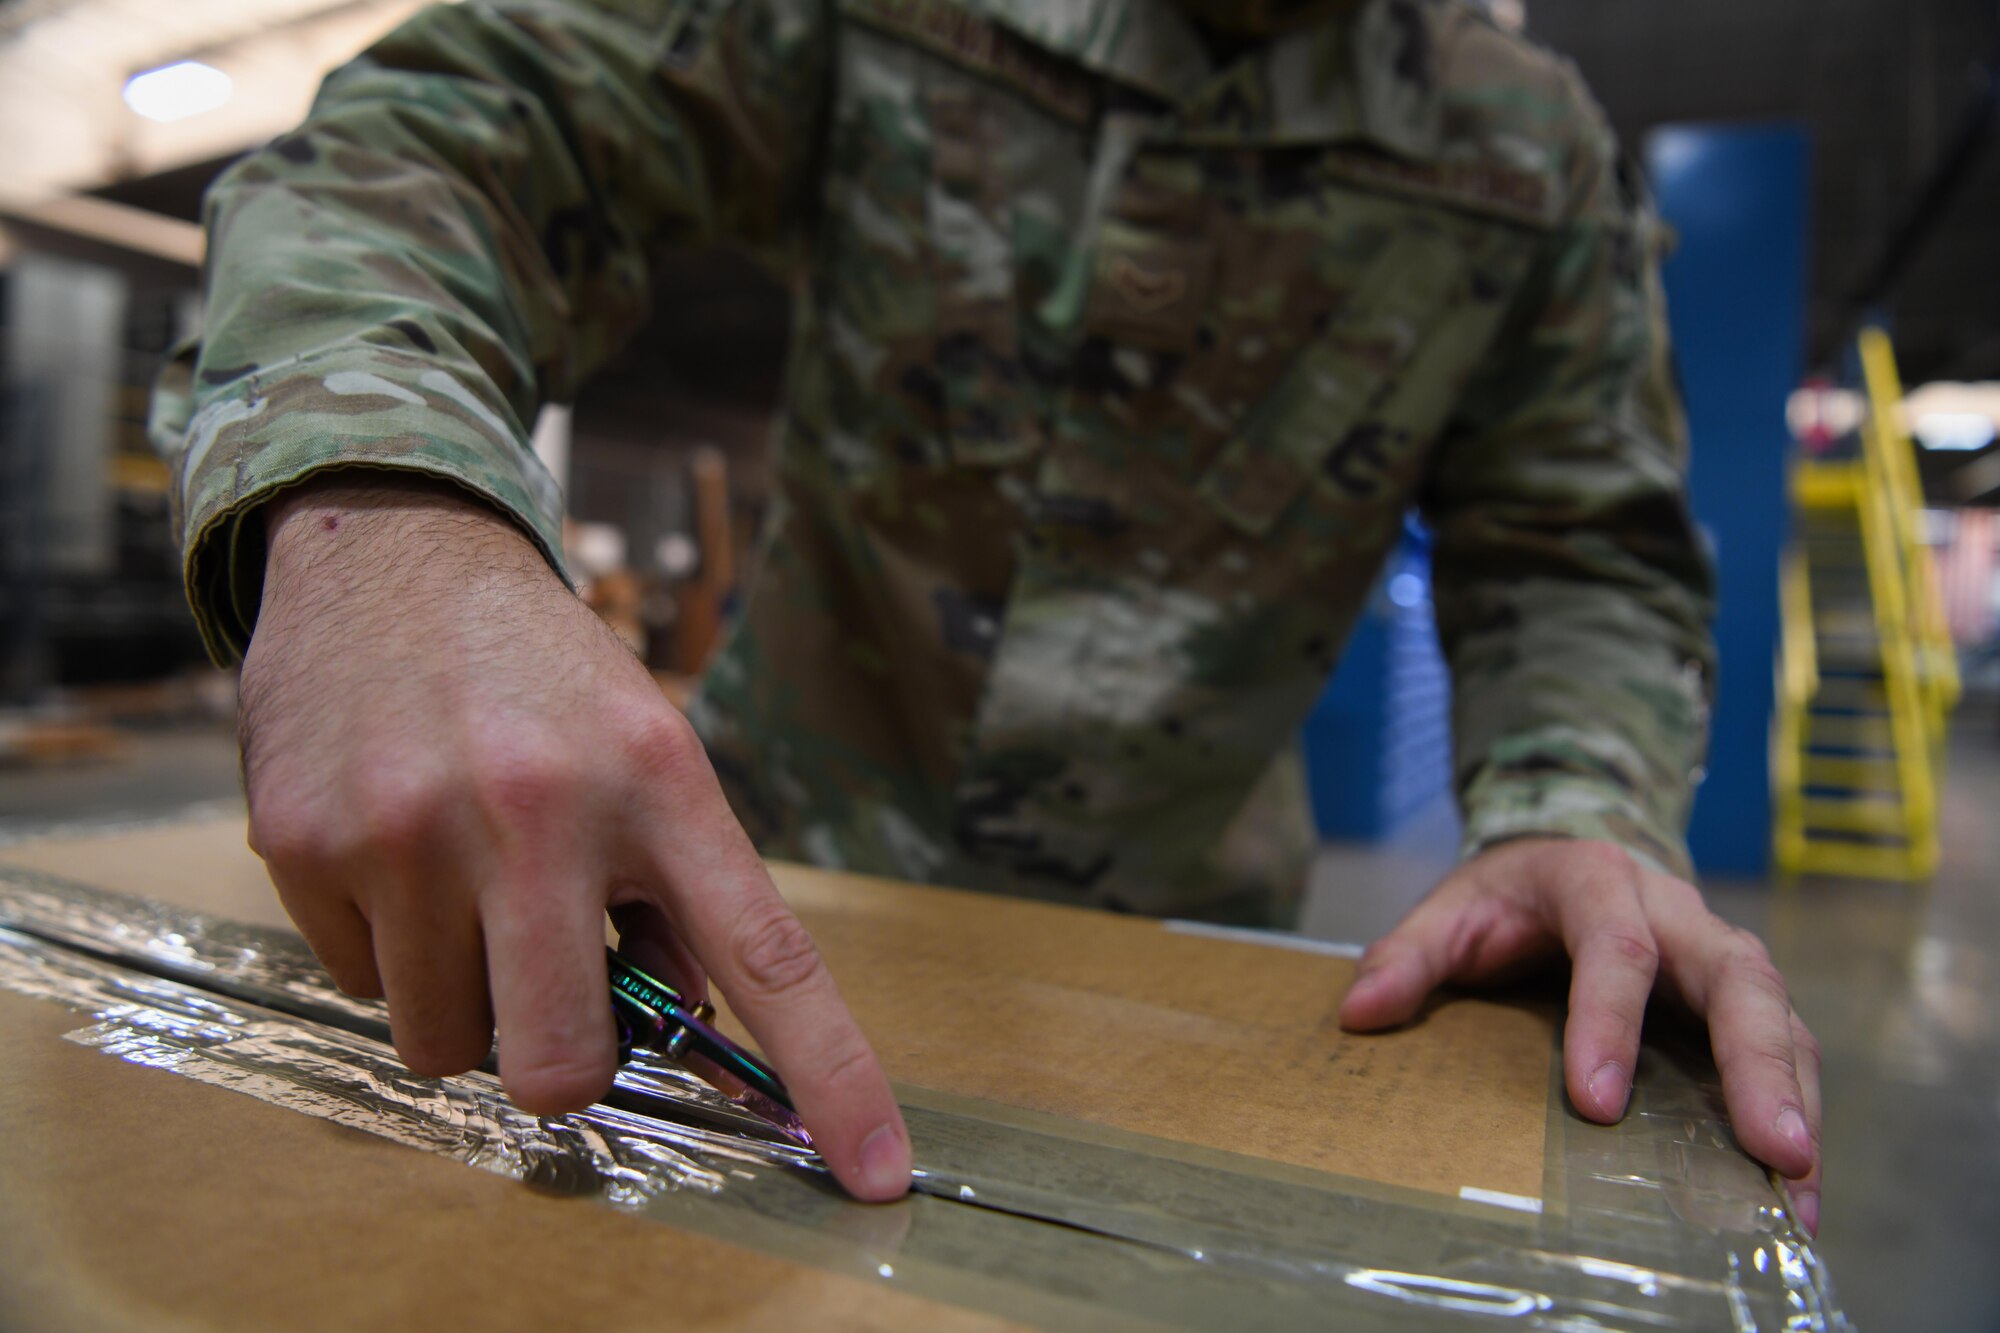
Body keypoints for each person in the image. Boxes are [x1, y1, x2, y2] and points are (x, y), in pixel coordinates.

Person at [152, 0, 1822, 1226]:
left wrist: (1577, 803)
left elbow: (1579, 540)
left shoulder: (1524, 155)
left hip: (1199, 967)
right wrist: (386, 503)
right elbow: (445, 134)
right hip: (756, 881)